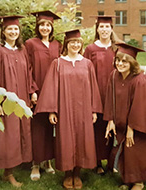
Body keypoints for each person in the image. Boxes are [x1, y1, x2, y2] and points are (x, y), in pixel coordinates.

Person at [35, 29, 102, 189]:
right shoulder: (57, 63)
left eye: (78, 42)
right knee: (65, 140)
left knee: (82, 139)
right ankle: (67, 173)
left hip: (84, 109)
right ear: (67, 44)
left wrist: (93, 110)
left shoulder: (87, 64)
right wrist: (52, 110)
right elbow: (51, 87)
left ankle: (77, 173)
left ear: (81, 44)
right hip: (64, 109)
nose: (75, 45)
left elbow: (93, 87)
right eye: (72, 42)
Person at [0, 15, 38, 187]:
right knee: (4, 135)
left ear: (19, 31)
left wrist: (32, 91)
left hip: (20, 99)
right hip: (4, 101)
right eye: (10, 29)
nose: (13, 32)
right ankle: (1, 170)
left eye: (16, 29)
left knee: (13, 135)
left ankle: (0, 170)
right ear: (3, 31)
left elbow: (28, 73)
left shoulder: (21, 51)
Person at [104, 43, 146, 190]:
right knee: (125, 152)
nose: (120, 64)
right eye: (118, 60)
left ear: (132, 63)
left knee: (134, 150)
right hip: (121, 123)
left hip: (139, 124)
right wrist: (110, 120)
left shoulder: (139, 80)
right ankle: (127, 179)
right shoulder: (114, 76)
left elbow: (140, 107)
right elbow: (109, 98)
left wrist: (131, 128)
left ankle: (138, 182)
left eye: (125, 61)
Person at [25, 10, 61, 181]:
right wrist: (32, 91)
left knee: (51, 127)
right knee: (37, 127)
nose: (45, 28)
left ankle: (48, 162)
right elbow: (28, 69)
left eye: (48, 25)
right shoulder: (30, 44)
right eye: (42, 25)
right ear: (37, 27)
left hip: (54, 92)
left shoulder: (57, 45)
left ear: (52, 27)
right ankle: (35, 163)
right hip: (38, 92)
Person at [83, 15, 119, 174]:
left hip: (114, 94)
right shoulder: (90, 49)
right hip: (96, 94)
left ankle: (112, 162)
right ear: (97, 29)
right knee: (97, 128)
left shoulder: (117, 48)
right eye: (101, 27)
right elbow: (84, 72)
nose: (104, 30)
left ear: (112, 29)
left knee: (113, 128)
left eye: (107, 27)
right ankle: (97, 162)